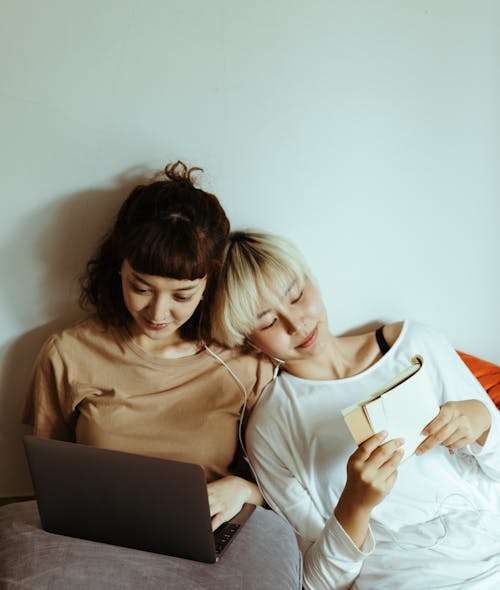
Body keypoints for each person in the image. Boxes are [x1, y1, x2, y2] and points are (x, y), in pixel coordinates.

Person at [211, 230, 500, 590]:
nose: (296, 323)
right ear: (246, 338)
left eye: (297, 297)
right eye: (268, 321)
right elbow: (320, 582)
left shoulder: (413, 345)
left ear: (312, 282)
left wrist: (482, 421)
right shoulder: (272, 427)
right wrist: (355, 505)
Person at [23, 163, 272, 530]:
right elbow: (46, 475)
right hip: (92, 533)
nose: (158, 312)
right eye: (140, 288)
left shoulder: (245, 364)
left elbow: (291, 484)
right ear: (118, 270)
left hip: (206, 535)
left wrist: (246, 490)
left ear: (209, 284)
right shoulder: (69, 353)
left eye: (182, 296)